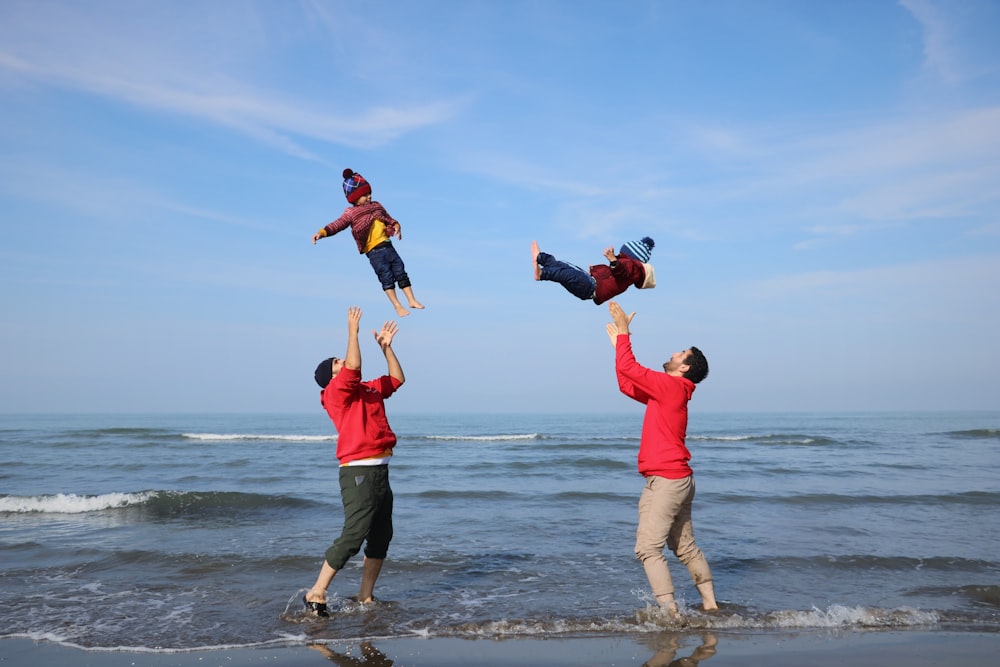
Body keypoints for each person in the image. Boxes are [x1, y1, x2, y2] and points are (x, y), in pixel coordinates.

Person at [605, 300, 718, 620]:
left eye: (679, 354)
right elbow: (627, 384)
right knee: (685, 547)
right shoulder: (670, 390)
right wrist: (619, 347)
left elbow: (631, 370)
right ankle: (711, 606)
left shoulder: (671, 387)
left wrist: (625, 334)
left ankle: (670, 614)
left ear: (685, 367)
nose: (673, 353)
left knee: (647, 549)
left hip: (666, 481)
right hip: (678, 479)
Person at [303, 305, 405, 617]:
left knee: (381, 536)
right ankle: (317, 591)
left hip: (380, 471)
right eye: (337, 362)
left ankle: (365, 596)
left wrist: (387, 349)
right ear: (331, 377)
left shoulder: (366, 389)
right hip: (358, 472)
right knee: (353, 534)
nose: (343, 361)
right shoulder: (335, 393)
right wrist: (352, 333)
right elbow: (355, 366)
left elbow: (397, 379)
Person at [312, 169, 424, 317]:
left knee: (401, 272)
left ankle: (411, 299)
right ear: (354, 198)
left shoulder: (377, 206)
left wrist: (396, 225)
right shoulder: (351, 213)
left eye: (369, 193)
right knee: (387, 278)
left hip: (388, 245)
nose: (369, 196)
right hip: (374, 252)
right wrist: (322, 232)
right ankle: (397, 305)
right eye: (364, 195)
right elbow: (338, 224)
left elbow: (388, 218)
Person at [531, 237, 655, 305]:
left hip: (591, 288)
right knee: (564, 267)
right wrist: (594, 271)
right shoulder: (627, 265)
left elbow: (620, 272)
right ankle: (541, 258)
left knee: (566, 274)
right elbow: (610, 276)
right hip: (590, 283)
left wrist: (613, 260)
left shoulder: (632, 267)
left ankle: (542, 273)